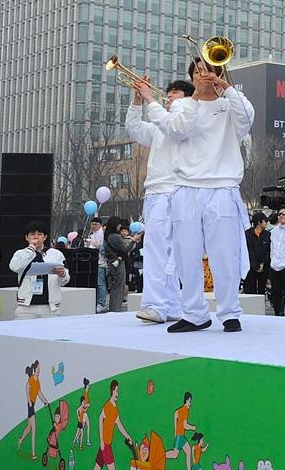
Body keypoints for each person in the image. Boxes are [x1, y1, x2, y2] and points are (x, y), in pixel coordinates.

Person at [140, 57, 255, 333]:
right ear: (191, 78)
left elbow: (248, 119)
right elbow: (177, 129)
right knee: (186, 254)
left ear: (219, 74)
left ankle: (229, 312)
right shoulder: (182, 105)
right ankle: (193, 313)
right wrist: (197, 97)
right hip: (186, 188)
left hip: (222, 188)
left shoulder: (231, 104)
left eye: (210, 71)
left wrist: (225, 88)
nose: (204, 76)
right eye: (198, 72)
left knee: (224, 254)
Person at [126, 77, 194, 324]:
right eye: (168, 94)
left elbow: (172, 126)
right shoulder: (158, 126)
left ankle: (157, 304)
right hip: (155, 192)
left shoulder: (187, 121)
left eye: (174, 94)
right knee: (158, 251)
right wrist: (137, 101)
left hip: (175, 191)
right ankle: (170, 305)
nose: (169, 98)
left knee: (168, 252)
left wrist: (150, 99)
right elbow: (134, 128)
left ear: (187, 98)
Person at [9, 220, 70, 318]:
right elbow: (14, 266)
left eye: (39, 234)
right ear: (26, 237)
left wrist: (62, 274)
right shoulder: (21, 253)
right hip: (26, 308)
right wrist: (31, 249)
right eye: (32, 234)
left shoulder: (56, 254)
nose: (36, 237)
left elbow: (65, 280)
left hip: (50, 308)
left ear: (45, 237)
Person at [88, 380, 134, 470]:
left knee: (96, 468)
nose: (117, 393)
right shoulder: (108, 406)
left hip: (105, 445)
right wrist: (101, 441)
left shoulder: (115, 409)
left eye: (118, 391)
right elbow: (100, 418)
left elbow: (119, 425)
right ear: (112, 391)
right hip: (105, 445)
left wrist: (128, 436)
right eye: (116, 391)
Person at [102, 216, 141, 313]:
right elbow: (125, 249)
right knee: (118, 287)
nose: (120, 226)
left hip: (112, 262)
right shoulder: (115, 236)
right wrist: (133, 240)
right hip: (118, 263)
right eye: (119, 224)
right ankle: (115, 309)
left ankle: (114, 308)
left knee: (115, 286)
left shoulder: (107, 236)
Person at [17, 361, 50, 460]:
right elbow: (27, 388)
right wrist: (29, 401)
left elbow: (39, 393)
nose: (39, 370)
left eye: (40, 368)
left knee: (29, 427)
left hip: (33, 404)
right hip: (30, 405)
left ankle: (20, 440)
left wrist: (46, 401)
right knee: (34, 429)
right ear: (35, 369)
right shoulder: (31, 379)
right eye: (38, 368)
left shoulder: (37, 380)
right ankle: (33, 453)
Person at [164, 392, 197, 470]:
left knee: (188, 451)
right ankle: (161, 455)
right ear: (186, 401)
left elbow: (175, 414)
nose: (190, 404)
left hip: (181, 436)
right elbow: (185, 425)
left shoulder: (181, 409)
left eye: (190, 402)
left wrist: (175, 429)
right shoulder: (185, 410)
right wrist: (192, 427)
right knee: (174, 454)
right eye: (189, 401)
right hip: (180, 436)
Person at [244, 212, 271, 297]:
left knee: (261, 290)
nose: (266, 223)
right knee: (250, 290)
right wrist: (255, 265)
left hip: (264, 267)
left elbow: (268, 250)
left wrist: (263, 264)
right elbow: (249, 251)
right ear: (259, 222)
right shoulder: (247, 234)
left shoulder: (268, 235)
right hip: (250, 267)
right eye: (265, 221)